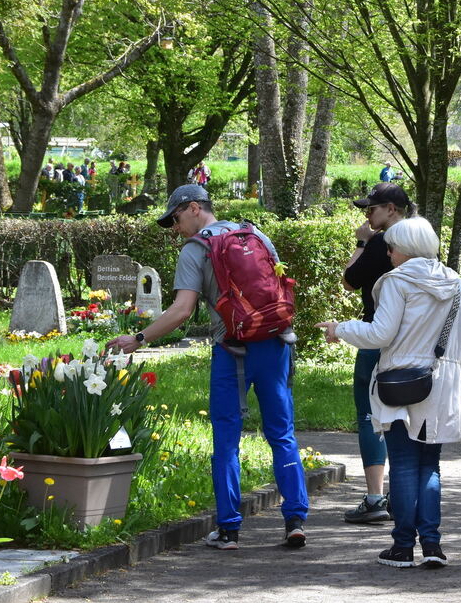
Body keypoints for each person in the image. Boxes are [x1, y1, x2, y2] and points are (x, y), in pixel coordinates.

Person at [107, 184, 309, 550]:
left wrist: (138, 338)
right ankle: (295, 518)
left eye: (176, 218)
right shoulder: (255, 233)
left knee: (227, 438)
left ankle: (229, 529)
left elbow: (182, 310)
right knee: (282, 432)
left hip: (232, 349)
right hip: (276, 343)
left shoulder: (196, 249)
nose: (175, 227)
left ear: (195, 208)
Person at [317, 217, 461, 569]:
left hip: (401, 380)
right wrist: (457, 387)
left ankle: (403, 546)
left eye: (391, 246)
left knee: (403, 464)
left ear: (406, 248)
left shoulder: (397, 282)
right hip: (441, 381)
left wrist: (340, 328)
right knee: (429, 465)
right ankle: (432, 545)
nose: (387, 253)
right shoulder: (456, 283)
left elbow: (380, 334)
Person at [339, 183, 414, 524]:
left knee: (369, 415)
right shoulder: (421, 241)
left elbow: (350, 280)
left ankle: (374, 497)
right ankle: (405, 494)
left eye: (372, 209)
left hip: (376, 337)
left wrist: (361, 242)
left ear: (392, 210)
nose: (367, 215)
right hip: (414, 341)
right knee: (408, 415)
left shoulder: (382, 242)